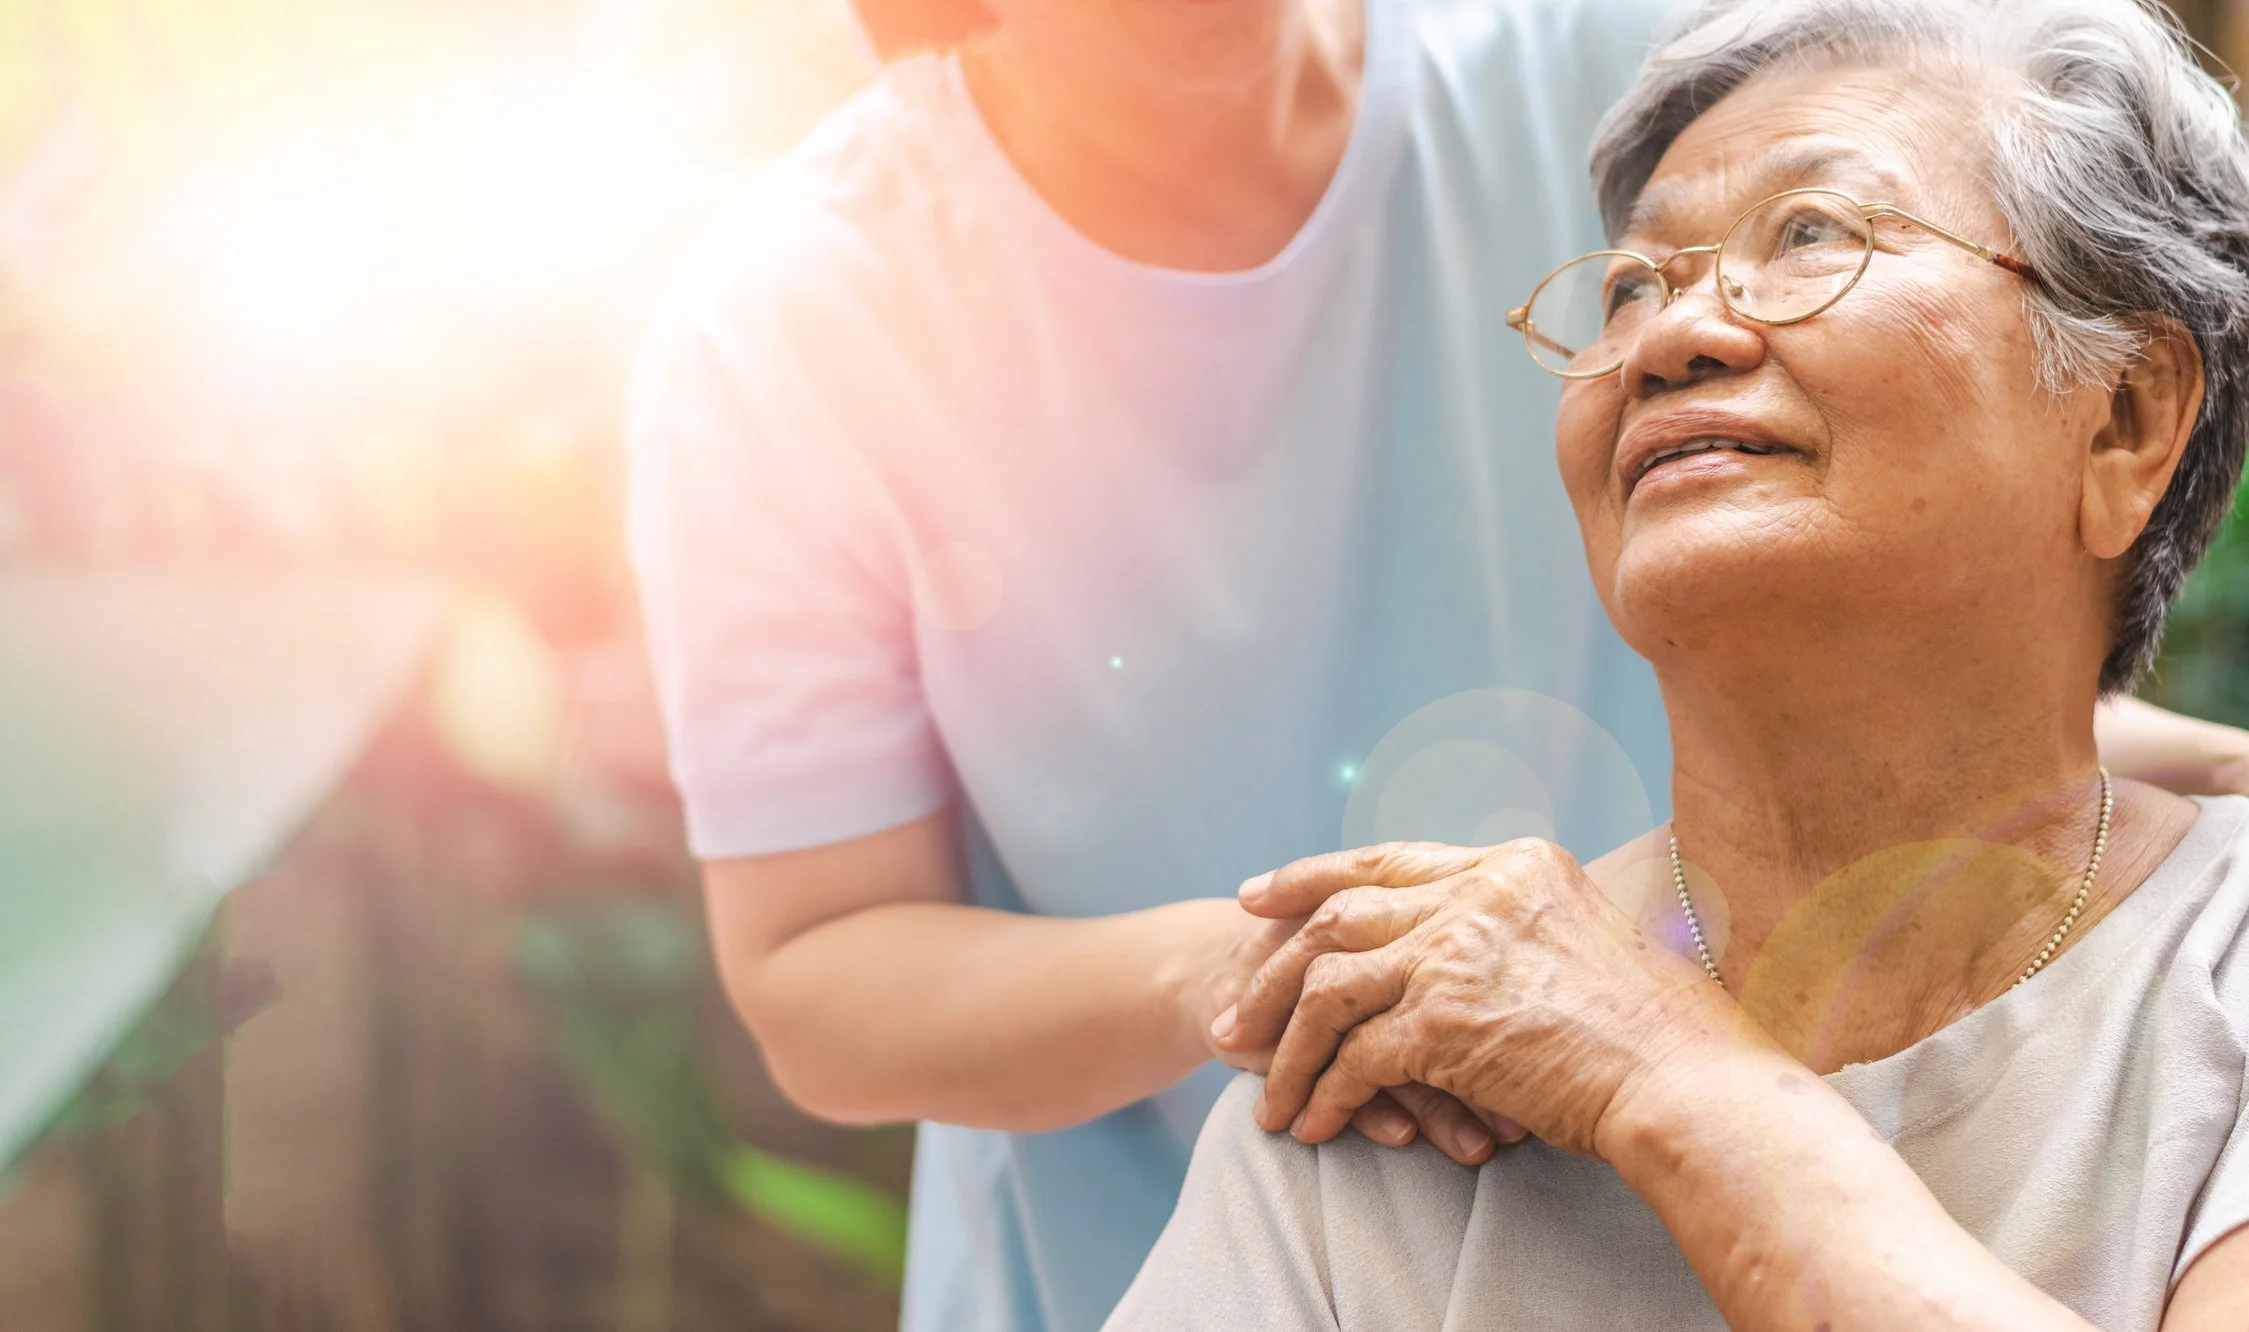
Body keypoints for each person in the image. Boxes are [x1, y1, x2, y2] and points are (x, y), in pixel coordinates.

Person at [624, 0, 2249, 1327]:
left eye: (1806, 234)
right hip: (1321, 1139)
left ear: (2129, 422)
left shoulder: (1613, 67)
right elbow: (820, 961)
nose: (1679, 326)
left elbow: (1916, 555)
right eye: (1629, 285)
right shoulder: (799, 319)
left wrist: (2064, 754)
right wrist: (1301, 968)